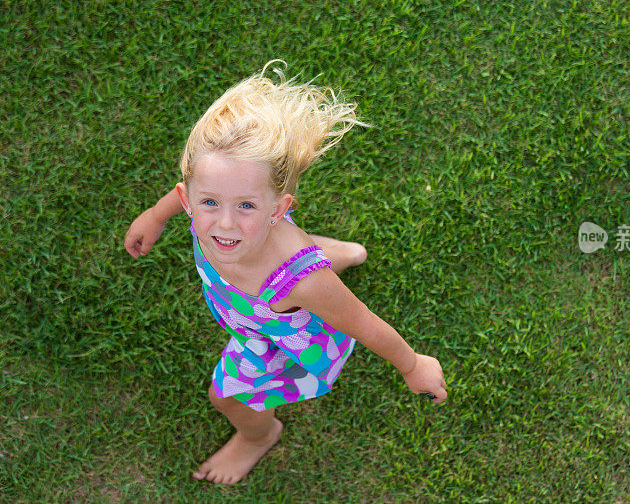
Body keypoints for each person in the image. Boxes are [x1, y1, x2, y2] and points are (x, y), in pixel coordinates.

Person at [124, 60, 448, 486]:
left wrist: (412, 365)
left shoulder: (302, 281)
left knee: (225, 398)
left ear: (279, 209)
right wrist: (156, 215)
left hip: (276, 337)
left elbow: (364, 323)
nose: (223, 224)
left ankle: (258, 436)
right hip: (260, 296)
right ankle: (343, 253)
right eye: (208, 203)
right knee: (287, 247)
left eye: (245, 206)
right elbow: (189, 195)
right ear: (189, 197)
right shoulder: (212, 207)